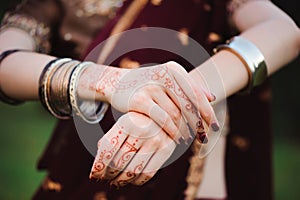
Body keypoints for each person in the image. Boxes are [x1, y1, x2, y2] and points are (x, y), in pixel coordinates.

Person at [0, 0, 299, 200]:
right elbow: (5, 62)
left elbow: (284, 31)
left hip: (196, 182)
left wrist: (173, 98)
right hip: (89, 168)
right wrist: (116, 82)